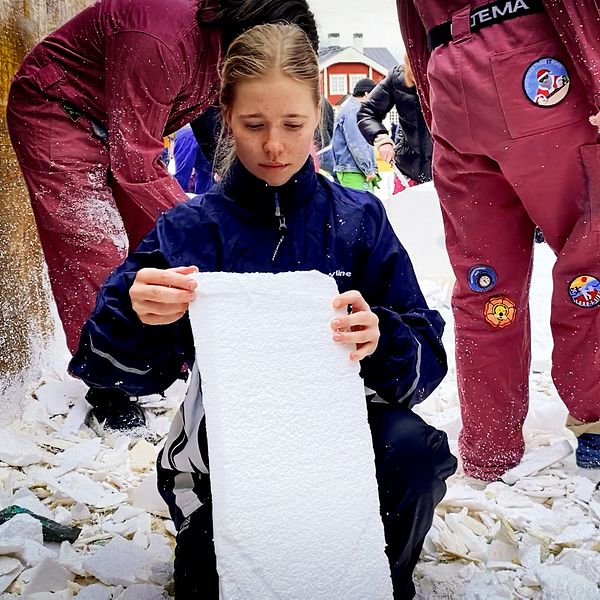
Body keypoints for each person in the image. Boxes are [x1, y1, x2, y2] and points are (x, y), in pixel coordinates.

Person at [69, 23, 457, 598]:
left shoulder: (359, 221)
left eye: (293, 125)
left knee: (413, 451)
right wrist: (137, 315)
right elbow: (105, 368)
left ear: (317, 117)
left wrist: (383, 339)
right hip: (229, 449)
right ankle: (211, 539)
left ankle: (383, 574)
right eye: (254, 125)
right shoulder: (189, 231)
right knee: (217, 583)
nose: (274, 145)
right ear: (226, 117)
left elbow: (426, 364)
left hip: (344, 438)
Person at [6, 0, 318, 430]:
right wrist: (212, 227)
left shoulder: (224, 55)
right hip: (62, 112)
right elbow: (136, 163)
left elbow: (221, 135)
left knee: (157, 245)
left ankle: (169, 350)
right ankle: (108, 382)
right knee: (96, 246)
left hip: (129, 129)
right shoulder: (160, 39)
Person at [395, 0, 600, 478]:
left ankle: (490, 446)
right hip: (534, 63)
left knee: (485, 286)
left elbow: (410, 20)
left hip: (450, 77)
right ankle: (594, 418)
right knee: (589, 252)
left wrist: (434, 102)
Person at [357, 54, 433, 193]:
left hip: (450, 173)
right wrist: (382, 139)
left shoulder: (454, 73)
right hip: (408, 170)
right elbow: (367, 112)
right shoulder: (397, 78)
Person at [331, 78, 381, 191]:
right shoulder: (353, 113)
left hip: (355, 170)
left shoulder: (354, 110)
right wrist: (368, 170)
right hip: (354, 171)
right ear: (367, 93)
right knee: (360, 207)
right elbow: (357, 144)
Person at [173, 125, 213, 195]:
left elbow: (183, 171)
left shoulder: (185, 137)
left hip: (188, 138)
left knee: (182, 177)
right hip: (209, 164)